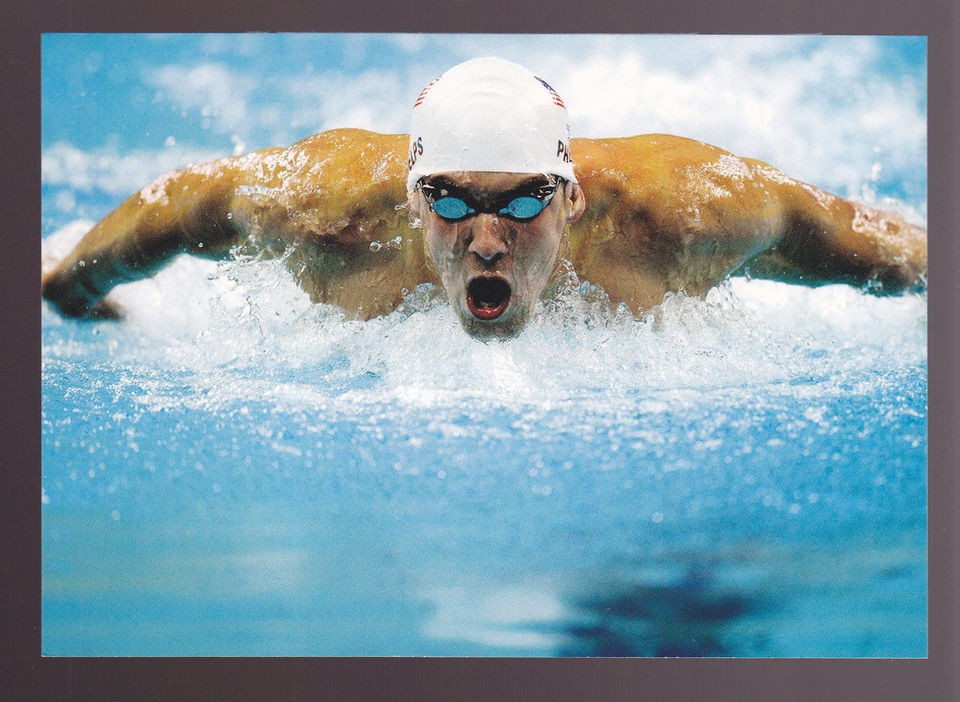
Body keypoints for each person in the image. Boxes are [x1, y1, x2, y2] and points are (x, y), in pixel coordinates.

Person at [41, 57, 927, 340]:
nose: (490, 241)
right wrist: (76, 289)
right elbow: (184, 204)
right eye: (456, 204)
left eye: (521, 203)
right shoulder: (323, 214)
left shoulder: (684, 215)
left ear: (573, 197)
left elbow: (879, 246)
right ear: (415, 200)